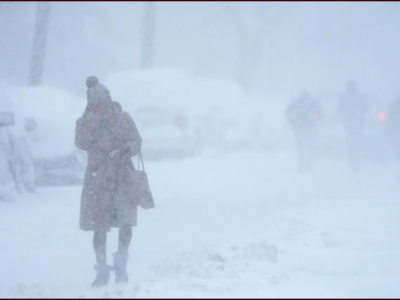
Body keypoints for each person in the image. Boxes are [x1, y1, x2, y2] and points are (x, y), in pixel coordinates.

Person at [75, 76, 142, 287]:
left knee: (125, 222)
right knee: (99, 227)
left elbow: (136, 141)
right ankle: (102, 270)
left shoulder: (123, 118)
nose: (101, 109)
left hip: (122, 178)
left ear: (109, 101)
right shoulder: (85, 122)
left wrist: (124, 149)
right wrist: (90, 119)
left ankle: (121, 265)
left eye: (103, 104)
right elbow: (81, 142)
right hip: (98, 181)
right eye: (96, 106)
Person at [336, 81, 369, 171]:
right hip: (356, 126)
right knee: (356, 144)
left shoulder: (344, 98)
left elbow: (339, 110)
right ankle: (356, 162)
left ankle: (354, 162)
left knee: (352, 144)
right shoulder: (359, 98)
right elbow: (366, 109)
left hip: (350, 126)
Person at [286, 92, 322, 172]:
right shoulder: (312, 104)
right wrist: (314, 119)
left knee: (301, 148)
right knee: (308, 148)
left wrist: (293, 122)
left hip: (300, 128)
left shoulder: (297, 103)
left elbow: (288, 112)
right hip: (308, 128)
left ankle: (302, 165)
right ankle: (306, 165)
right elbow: (317, 114)